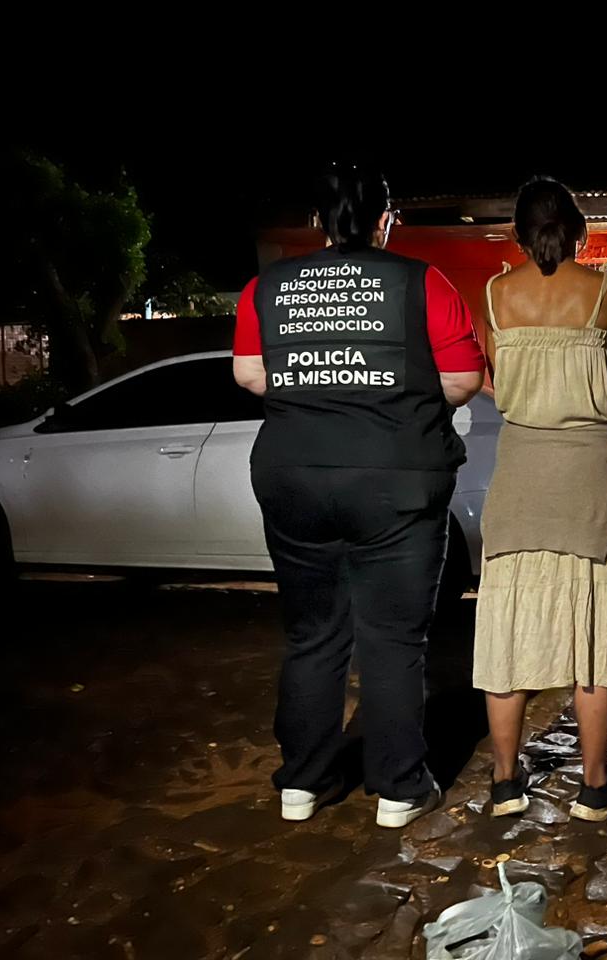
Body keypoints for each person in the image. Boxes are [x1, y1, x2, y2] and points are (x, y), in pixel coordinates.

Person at [232, 159, 485, 827]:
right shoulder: (419, 283)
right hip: (396, 480)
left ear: (318, 221)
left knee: (312, 632)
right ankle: (399, 788)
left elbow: (250, 375)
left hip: (295, 475)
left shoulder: (268, 286)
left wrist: (319, 387)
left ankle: (303, 782)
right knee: (393, 637)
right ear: (386, 217)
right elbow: (461, 379)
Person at [473, 177, 607, 822]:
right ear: (577, 229)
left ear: (518, 234)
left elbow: (495, 375)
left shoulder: (494, 294)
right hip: (587, 479)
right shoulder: (606, 292)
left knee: (508, 628)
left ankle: (506, 782)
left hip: (519, 473)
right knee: (593, 627)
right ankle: (595, 786)